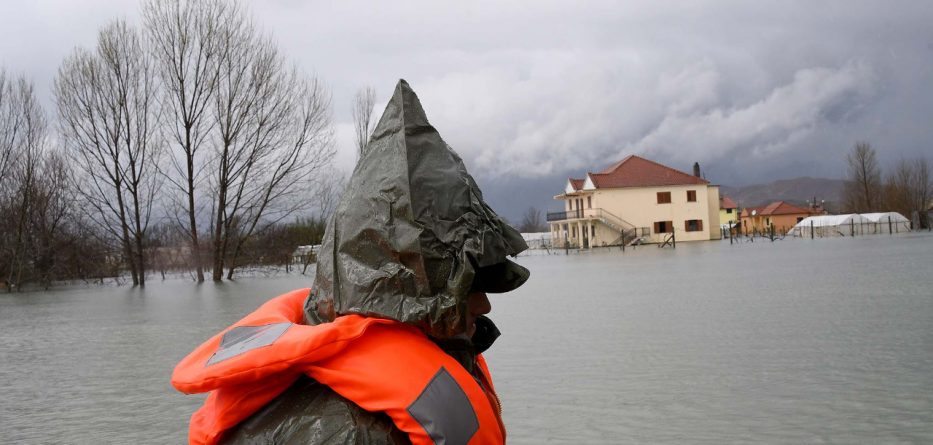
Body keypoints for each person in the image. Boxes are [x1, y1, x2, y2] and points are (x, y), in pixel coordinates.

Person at [172, 80, 529, 445]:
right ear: (409, 288)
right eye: (467, 282)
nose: (484, 304)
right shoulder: (355, 433)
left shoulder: (397, 397)